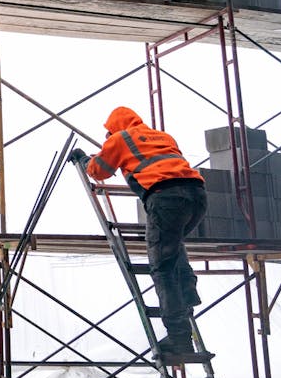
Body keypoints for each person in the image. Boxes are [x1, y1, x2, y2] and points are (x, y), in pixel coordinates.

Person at [71, 106, 207, 356]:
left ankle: (179, 337)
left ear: (115, 127)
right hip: (196, 196)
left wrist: (83, 159)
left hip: (166, 198)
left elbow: (99, 170)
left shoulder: (120, 138)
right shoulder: (162, 136)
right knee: (173, 248)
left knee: (162, 268)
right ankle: (187, 295)